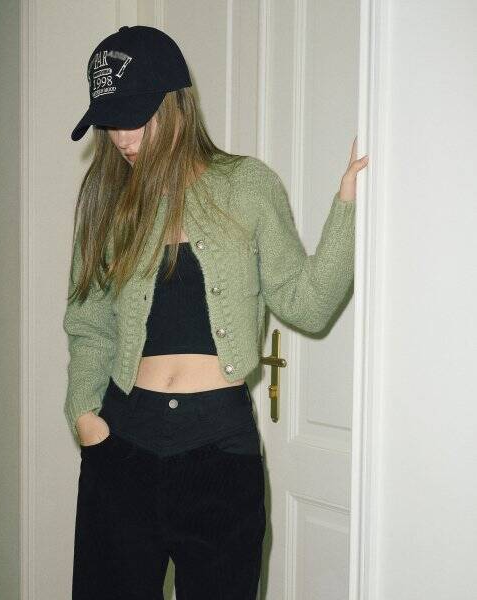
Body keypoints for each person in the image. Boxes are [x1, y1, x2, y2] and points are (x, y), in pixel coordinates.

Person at [64, 24, 367, 600]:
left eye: (135, 117)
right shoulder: (109, 201)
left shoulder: (247, 186)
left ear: (175, 104)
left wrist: (348, 207)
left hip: (220, 455)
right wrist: (86, 417)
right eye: (109, 121)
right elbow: (88, 326)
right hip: (121, 445)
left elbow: (307, 304)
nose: (121, 137)